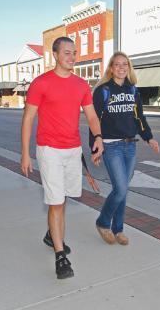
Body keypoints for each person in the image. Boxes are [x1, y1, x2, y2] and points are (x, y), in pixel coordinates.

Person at [21, 36, 104, 279]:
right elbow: (28, 118)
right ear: (55, 55)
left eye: (74, 53)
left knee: (63, 198)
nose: (72, 57)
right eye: (67, 53)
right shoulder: (41, 83)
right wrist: (26, 154)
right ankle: (60, 256)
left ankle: (51, 234)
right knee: (56, 202)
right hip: (49, 150)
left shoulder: (81, 85)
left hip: (72, 150)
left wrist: (98, 136)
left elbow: (91, 115)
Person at [92, 52, 159, 246]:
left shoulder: (133, 91)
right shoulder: (103, 91)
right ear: (111, 68)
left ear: (129, 68)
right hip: (111, 146)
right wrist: (96, 147)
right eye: (117, 65)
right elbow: (94, 120)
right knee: (120, 189)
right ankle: (103, 222)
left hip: (130, 145)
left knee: (123, 190)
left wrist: (149, 137)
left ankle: (118, 229)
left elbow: (140, 118)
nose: (121, 68)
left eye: (125, 65)